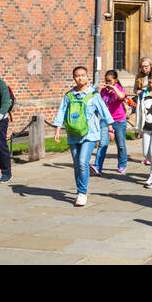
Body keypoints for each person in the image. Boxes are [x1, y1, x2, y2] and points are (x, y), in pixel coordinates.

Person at [52, 66, 113, 206]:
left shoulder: (94, 94)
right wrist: (57, 130)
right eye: (77, 76)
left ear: (87, 77)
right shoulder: (69, 96)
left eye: (83, 75)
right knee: (77, 164)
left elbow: (103, 111)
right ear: (74, 78)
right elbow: (61, 112)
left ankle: (82, 193)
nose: (80, 78)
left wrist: (110, 128)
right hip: (73, 133)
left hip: (90, 134)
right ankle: (80, 189)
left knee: (82, 162)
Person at [94, 69, 130, 175]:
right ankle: (97, 166)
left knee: (121, 144)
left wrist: (114, 88)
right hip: (106, 121)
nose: (107, 83)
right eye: (106, 80)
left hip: (119, 121)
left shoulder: (119, 89)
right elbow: (101, 105)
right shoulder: (103, 91)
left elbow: (121, 97)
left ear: (115, 80)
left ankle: (122, 164)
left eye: (109, 81)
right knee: (102, 144)